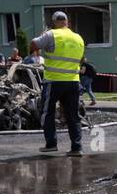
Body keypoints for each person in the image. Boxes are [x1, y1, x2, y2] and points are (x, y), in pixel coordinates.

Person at [33, 10, 85, 156]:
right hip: (73, 82)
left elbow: (33, 44)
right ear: (67, 22)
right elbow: (80, 59)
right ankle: (77, 147)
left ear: (55, 22)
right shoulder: (78, 38)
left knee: (48, 112)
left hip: (53, 81)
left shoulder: (51, 34)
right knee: (73, 115)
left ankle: (51, 144)